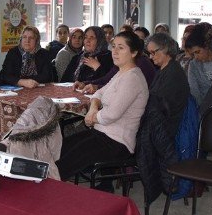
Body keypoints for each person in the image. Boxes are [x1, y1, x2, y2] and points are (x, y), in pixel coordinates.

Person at [55, 31, 149, 188]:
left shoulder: (133, 78)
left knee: (67, 161)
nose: (115, 52)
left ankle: (45, 191)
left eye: (121, 48)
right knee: (62, 147)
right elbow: (98, 93)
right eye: (113, 47)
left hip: (118, 141)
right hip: (103, 133)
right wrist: (93, 108)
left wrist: (91, 117)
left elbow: (111, 115)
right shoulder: (121, 73)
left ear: (133, 52)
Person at [146, 33, 190, 139]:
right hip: (160, 125)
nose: (151, 57)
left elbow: (162, 106)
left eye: (153, 52)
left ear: (165, 49)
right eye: (149, 53)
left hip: (167, 129)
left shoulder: (173, 73)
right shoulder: (164, 69)